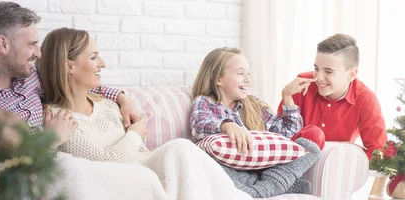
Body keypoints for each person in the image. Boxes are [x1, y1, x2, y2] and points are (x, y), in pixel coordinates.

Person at [0, 2, 167, 199]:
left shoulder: (30, 77)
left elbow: (71, 82)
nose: (39, 53)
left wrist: (122, 98)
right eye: (32, 44)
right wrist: (51, 139)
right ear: (3, 44)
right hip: (37, 180)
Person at [38, 27, 252, 200]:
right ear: (69, 66)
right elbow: (107, 162)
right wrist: (134, 133)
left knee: (180, 149)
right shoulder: (61, 121)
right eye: (94, 57)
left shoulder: (109, 105)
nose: (103, 64)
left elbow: (141, 152)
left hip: (144, 173)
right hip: (125, 182)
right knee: (173, 153)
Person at [190, 47, 325, 198]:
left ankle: (264, 188)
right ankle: (278, 186)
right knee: (203, 158)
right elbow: (199, 125)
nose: (247, 79)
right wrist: (226, 125)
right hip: (233, 174)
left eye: (248, 73)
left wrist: (287, 96)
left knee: (314, 133)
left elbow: (288, 135)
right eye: (240, 73)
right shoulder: (205, 102)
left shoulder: (253, 104)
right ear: (218, 79)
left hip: (261, 170)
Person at [277, 33, 387, 159]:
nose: (319, 78)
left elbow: (379, 154)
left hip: (337, 169)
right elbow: (280, 137)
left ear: (352, 74)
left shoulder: (366, 100)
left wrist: (348, 151)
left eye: (328, 71)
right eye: (316, 68)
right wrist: (286, 96)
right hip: (295, 167)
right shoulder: (300, 84)